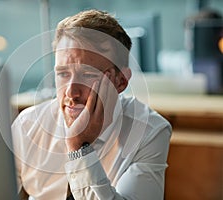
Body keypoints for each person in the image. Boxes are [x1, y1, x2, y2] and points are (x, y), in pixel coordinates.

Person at [12, 9, 172, 200]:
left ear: (120, 82)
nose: (71, 93)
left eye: (88, 75)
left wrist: (78, 149)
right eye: (63, 74)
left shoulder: (149, 132)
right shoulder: (28, 125)